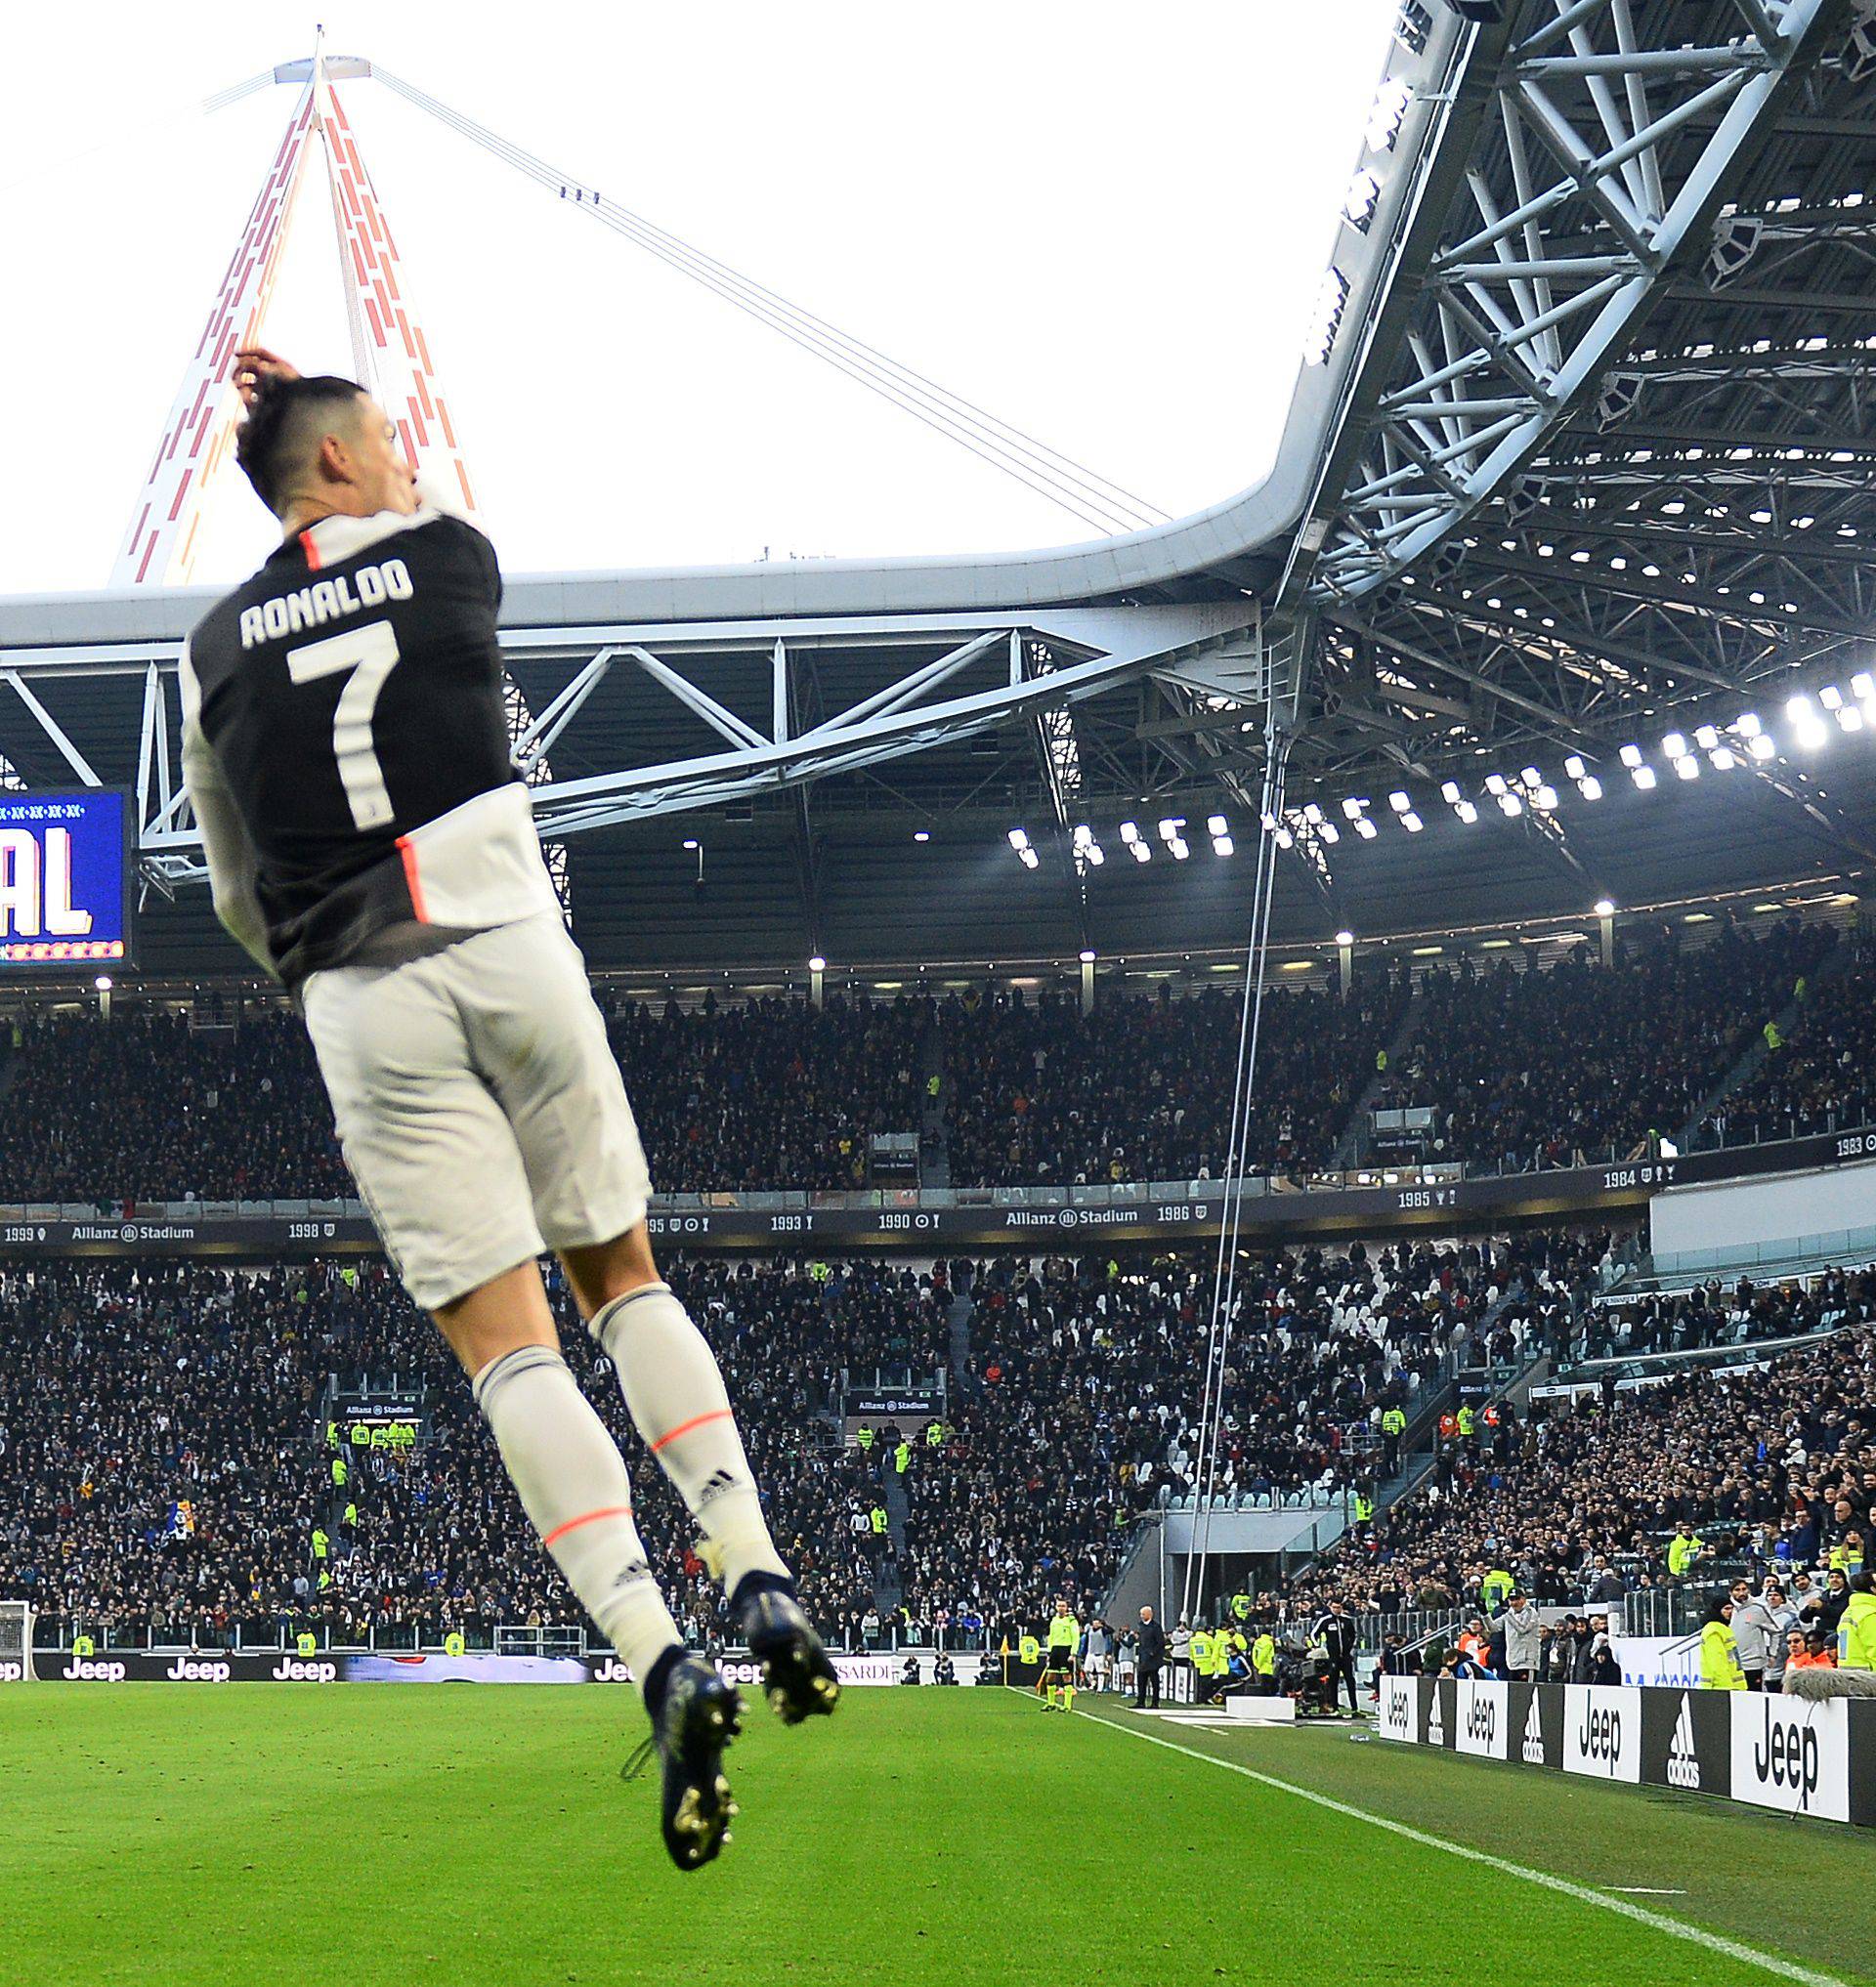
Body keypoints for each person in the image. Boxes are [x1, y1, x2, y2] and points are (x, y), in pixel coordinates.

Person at [182, 350, 837, 1872]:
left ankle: (656, 1656)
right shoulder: (450, 557)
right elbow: (417, 533)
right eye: (386, 445)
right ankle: (750, 1558)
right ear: (338, 465)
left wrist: (320, 966)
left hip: (360, 987)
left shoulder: (211, 655)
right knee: (621, 1273)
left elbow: (229, 892)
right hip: (504, 931)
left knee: (504, 1346)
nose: (406, 462)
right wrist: (326, 420)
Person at [1698, 1594, 1745, 1691]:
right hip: (1722, 1687)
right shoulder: (1714, 1630)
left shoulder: (1722, 1628)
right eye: (1726, 1609)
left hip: (1733, 1686)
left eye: (1732, 1608)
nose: (1730, 1612)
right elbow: (1717, 1663)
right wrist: (1726, 1688)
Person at [1498, 1590, 1542, 1682]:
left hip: (1527, 1662)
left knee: (1526, 1692)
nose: (1514, 1603)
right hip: (1512, 1661)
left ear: (1524, 1599)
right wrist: (1484, 1614)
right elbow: (1493, 1628)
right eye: (1511, 1600)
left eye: (1517, 1599)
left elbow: (1523, 1629)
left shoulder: (1531, 1612)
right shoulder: (1509, 1614)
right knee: (1514, 1693)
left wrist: (1509, 1616)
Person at [1134, 1605, 1168, 1712]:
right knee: (1141, 1681)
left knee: (1154, 1682)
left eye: (1143, 1614)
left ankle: (1155, 1702)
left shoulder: (1156, 1627)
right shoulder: (1141, 1626)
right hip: (1142, 1658)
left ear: (1149, 1614)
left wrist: (1153, 1652)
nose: (1141, 1616)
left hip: (1152, 1660)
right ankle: (1141, 1701)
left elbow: (1160, 1642)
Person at [1843, 1571, 1876, 1672]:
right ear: (1873, 1589)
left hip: (1847, 1677)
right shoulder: (1869, 1614)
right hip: (1868, 1679)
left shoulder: (1848, 1612)